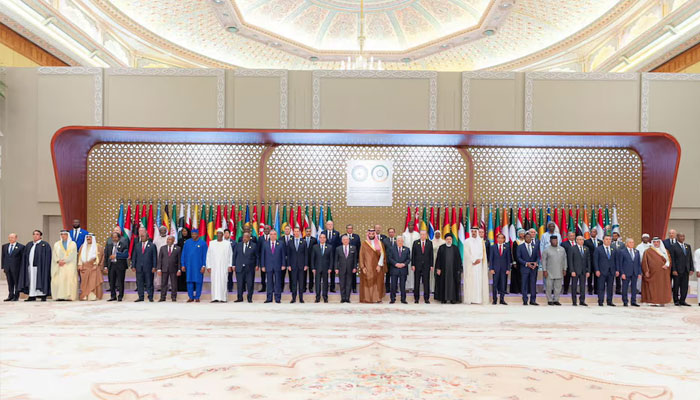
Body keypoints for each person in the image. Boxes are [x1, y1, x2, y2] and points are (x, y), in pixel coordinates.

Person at [18, 230, 52, 301]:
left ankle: (43, 295)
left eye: (37, 234)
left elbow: (48, 257)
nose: (35, 236)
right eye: (34, 234)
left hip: (40, 268)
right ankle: (32, 295)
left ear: (40, 236)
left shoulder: (45, 245)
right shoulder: (29, 244)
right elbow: (25, 256)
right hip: (30, 267)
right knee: (31, 281)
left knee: (40, 280)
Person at [641, 238, 672, 306]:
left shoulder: (665, 251)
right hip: (653, 274)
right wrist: (646, 271)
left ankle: (662, 301)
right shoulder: (648, 251)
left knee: (662, 287)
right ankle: (653, 301)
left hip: (664, 273)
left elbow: (669, 260)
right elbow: (644, 262)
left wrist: (666, 265)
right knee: (654, 287)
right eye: (654, 242)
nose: (656, 243)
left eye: (657, 242)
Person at [359, 228, 386, 303]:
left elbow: (382, 255)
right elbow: (361, 256)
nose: (371, 235)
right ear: (368, 234)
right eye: (370, 234)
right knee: (368, 283)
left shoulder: (380, 243)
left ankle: (377, 298)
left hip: (377, 267)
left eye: (373, 234)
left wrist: (379, 265)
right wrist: (362, 267)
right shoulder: (364, 243)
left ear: (375, 234)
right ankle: (368, 299)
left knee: (378, 283)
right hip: (367, 267)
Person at [463, 227, 489, 304]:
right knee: (470, 281)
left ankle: (478, 299)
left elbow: (482, 253)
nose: (474, 233)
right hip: (470, 264)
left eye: (475, 231)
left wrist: (478, 259)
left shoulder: (481, 241)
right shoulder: (467, 241)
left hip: (478, 265)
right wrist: (473, 260)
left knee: (478, 281)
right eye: (472, 231)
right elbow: (466, 253)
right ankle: (470, 299)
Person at [51, 230, 79, 301]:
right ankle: (59, 296)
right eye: (62, 234)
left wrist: (65, 261)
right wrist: (58, 261)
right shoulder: (56, 244)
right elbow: (54, 254)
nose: (63, 236)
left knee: (69, 280)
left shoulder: (73, 244)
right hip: (59, 265)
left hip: (69, 265)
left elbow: (73, 255)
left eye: (65, 234)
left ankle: (69, 297)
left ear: (68, 235)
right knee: (59, 280)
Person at [206, 228, 232, 303]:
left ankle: (223, 298)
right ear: (216, 234)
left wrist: (229, 265)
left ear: (223, 235)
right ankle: (214, 298)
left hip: (224, 266)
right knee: (214, 282)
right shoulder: (212, 243)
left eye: (221, 233)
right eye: (218, 233)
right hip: (214, 267)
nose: (219, 235)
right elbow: (208, 255)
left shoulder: (227, 244)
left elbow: (230, 255)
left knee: (223, 281)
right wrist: (209, 266)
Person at [131, 229, 157, 302]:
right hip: (139, 267)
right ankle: (141, 297)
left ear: (147, 237)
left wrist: (154, 267)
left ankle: (150, 297)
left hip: (148, 268)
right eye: (141, 236)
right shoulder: (137, 245)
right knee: (139, 282)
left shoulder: (152, 245)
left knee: (149, 282)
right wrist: (133, 266)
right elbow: (134, 256)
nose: (141, 237)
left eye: (143, 236)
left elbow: (154, 257)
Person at [181, 229, 207, 303]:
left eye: (195, 234)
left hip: (198, 266)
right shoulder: (187, 243)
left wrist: (204, 265)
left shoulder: (203, 243)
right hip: (189, 266)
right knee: (189, 281)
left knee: (199, 281)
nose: (193, 235)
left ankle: (197, 297)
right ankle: (191, 297)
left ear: (198, 234)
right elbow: (183, 254)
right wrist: (183, 264)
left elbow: (205, 255)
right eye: (192, 234)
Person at [435, 233, 462, 304]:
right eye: (447, 239)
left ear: (452, 240)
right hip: (444, 270)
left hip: (453, 270)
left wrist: (459, 269)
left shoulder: (455, 248)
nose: (449, 241)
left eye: (450, 239)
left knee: (453, 284)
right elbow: (438, 259)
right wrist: (438, 268)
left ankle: (453, 299)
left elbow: (459, 259)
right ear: (445, 240)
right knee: (443, 283)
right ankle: (443, 299)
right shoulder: (441, 248)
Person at [260, 230, 286, 303]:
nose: (273, 236)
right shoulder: (265, 244)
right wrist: (262, 266)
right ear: (269, 235)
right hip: (268, 266)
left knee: (278, 282)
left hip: (278, 266)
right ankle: (269, 298)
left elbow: (283, 255)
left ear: (276, 235)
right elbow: (263, 255)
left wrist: (283, 264)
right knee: (269, 282)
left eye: (274, 234)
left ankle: (278, 298)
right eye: (271, 234)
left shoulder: (281, 243)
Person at [541, 235, 567, 306]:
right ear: (550, 241)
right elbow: (543, 261)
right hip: (549, 272)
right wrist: (544, 270)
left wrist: (565, 269)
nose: (555, 242)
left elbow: (564, 259)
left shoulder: (562, 249)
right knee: (549, 287)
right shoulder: (546, 250)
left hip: (559, 271)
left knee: (558, 287)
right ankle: (549, 300)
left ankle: (556, 299)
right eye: (553, 240)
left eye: (556, 240)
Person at [77, 233, 103, 301]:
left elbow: (100, 257)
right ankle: (84, 295)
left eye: (90, 238)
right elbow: (79, 257)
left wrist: (96, 265)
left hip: (93, 267)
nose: (88, 239)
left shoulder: (98, 247)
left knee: (92, 282)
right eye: (87, 238)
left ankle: (92, 296)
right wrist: (80, 264)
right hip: (84, 267)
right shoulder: (82, 246)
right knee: (84, 283)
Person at [233, 232, 257, 303]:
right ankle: (240, 298)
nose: (244, 238)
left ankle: (249, 298)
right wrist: (233, 265)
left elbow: (257, 257)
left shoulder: (254, 245)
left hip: (250, 268)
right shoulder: (238, 245)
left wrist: (257, 265)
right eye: (244, 237)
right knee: (240, 284)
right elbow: (234, 256)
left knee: (250, 284)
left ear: (249, 238)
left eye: (246, 237)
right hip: (239, 267)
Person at [517, 232, 540, 305]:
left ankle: (533, 300)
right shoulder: (520, 247)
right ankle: (525, 300)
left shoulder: (535, 246)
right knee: (524, 284)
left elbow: (538, 256)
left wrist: (536, 262)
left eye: (530, 237)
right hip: (524, 268)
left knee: (533, 284)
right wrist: (526, 263)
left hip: (533, 269)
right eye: (527, 237)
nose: (528, 239)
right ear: (524, 238)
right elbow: (518, 258)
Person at [670, 233, 694, 306]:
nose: (682, 237)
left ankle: (682, 300)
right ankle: (676, 301)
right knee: (676, 286)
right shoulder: (673, 246)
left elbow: (690, 258)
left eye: (683, 236)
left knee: (684, 286)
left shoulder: (687, 246)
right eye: (681, 236)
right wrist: (674, 269)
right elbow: (672, 259)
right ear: (677, 237)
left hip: (686, 270)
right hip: (677, 270)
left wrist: (691, 268)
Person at [104, 231, 129, 301]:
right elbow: (106, 256)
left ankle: (120, 296)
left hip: (120, 266)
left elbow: (126, 254)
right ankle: (113, 296)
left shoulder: (123, 244)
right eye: (113, 237)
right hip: (111, 266)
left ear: (119, 238)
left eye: (115, 237)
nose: (114, 239)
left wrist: (116, 256)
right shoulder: (109, 245)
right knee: (111, 281)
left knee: (120, 282)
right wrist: (105, 266)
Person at [566, 235, 590, 306]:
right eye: (579, 239)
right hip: (575, 271)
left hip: (583, 271)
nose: (581, 241)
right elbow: (570, 260)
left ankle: (582, 300)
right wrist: (572, 270)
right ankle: (574, 301)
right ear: (576, 240)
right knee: (574, 286)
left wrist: (588, 271)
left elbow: (588, 260)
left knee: (583, 286)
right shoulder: (572, 248)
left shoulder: (586, 248)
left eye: (582, 239)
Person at [594, 235, 618, 306]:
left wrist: (617, 270)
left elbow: (616, 260)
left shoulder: (613, 249)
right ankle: (600, 301)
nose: (608, 241)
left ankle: (609, 301)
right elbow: (595, 260)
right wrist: (597, 270)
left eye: (609, 239)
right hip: (601, 271)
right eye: (606, 239)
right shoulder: (598, 249)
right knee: (601, 287)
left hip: (611, 271)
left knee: (610, 287)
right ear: (603, 240)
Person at [616, 238, 641, 307]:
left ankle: (633, 301)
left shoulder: (636, 251)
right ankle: (625, 301)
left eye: (632, 242)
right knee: (625, 287)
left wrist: (639, 273)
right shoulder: (622, 251)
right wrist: (622, 273)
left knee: (634, 288)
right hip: (626, 272)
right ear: (626, 244)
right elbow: (620, 263)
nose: (632, 244)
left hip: (635, 272)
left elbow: (638, 263)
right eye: (630, 242)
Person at [156, 235, 181, 302]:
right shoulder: (162, 248)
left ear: (173, 241)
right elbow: (160, 259)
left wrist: (179, 269)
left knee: (174, 283)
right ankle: (163, 297)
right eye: (168, 239)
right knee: (163, 283)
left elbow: (179, 260)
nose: (168, 241)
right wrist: (159, 269)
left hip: (174, 269)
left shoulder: (178, 248)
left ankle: (173, 297)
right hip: (164, 268)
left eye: (170, 240)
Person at [411, 230, 433, 304]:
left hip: (426, 266)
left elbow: (431, 255)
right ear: (419, 235)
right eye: (421, 234)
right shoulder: (415, 243)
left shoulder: (429, 243)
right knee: (416, 282)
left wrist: (431, 265)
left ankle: (426, 298)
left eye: (424, 234)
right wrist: (413, 265)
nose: (422, 236)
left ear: (426, 235)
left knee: (426, 282)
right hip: (417, 266)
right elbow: (413, 255)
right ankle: (416, 298)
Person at [287, 227, 308, 303]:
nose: (296, 233)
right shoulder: (290, 242)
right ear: (293, 233)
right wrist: (288, 265)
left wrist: (306, 264)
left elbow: (306, 254)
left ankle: (301, 298)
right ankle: (293, 298)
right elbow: (288, 255)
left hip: (301, 265)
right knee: (293, 282)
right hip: (292, 266)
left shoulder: (304, 241)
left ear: (300, 232)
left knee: (301, 282)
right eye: (295, 231)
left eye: (297, 231)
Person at [489, 234, 510, 305]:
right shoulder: (493, 247)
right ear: (497, 239)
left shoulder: (507, 247)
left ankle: (502, 299)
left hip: (504, 269)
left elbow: (508, 259)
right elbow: (491, 259)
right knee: (495, 284)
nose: (500, 239)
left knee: (503, 284)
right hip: (495, 269)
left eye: (502, 238)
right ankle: (494, 299)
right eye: (499, 238)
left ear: (504, 239)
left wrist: (508, 269)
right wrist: (491, 268)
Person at [334, 234, 357, 303]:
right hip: (341, 269)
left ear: (349, 240)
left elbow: (355, 259)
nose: (345, 241)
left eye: (347, 240)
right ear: (342, 241)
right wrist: (336, 268)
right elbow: (336, 259)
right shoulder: (338, 248)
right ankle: (343, 298)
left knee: (349, 283)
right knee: (342, 284)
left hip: (350, 268)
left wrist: (355, 267)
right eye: (344, 240)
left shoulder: (353, 248)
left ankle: (347, 298)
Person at [388, 236, 410, 304]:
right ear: (396, 241)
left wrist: (404, 264)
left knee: (403, 285)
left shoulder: (407, 249)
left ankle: (403, 299)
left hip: (403, 269)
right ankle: (392, 299)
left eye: (401, 241)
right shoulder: (391, 249)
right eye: (398, 241)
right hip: (394, 269)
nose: (400, 242)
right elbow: (390, 258)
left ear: (403, 242)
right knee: (393, 285)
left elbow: (408, 259)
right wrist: (395, 264)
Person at [2, 233, 24, 301]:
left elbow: (22, 258)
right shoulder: (5, 246)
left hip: (16, 268)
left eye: (12, 237)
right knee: (9, 282)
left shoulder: (21, 247)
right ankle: (10, 295)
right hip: (7, 268)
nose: (10, 239)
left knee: (16, 282)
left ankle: (16, 296)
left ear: (16, 238)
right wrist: (3, 266)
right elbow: (3, 257)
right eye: (9, 237)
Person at [311, 233, 333, 303]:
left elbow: (331, 259)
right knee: (317, 283)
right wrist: (313, 268)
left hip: (326, 268)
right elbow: (312, 259)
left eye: (324, 237)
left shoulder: (330, 247)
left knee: (325, 283)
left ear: (326, 239)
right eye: (321, 237)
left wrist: (330, 268)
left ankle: (325, 297)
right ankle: (317, 297)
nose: (322, 239)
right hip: (317, 268)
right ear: (319, 239)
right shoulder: (315, 247)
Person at [323, 221, 340, 293]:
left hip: (333, 256)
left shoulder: (337, 233)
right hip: (325, 256)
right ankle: (325, 287)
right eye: (328, 224)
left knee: (333, 272)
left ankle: (332, 287)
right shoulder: (323, 233)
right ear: (326, 225)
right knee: (325, 273)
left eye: (331, 224)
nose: (330, 226)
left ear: (333, 225)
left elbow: (339, 244)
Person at [584, 228, 603, 295]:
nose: (593, 233)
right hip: (590, 261)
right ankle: (590, 290)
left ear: (596, 233)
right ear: (590, 233)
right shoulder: (586, 242)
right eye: (592, 232)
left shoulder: (600, 242)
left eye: (594, 232)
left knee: (597, 276)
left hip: (598, 262)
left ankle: (596, 290)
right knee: (589, 277)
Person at [402, 225, 419, 294]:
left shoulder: (417, 234)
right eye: (409, 225)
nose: (411, 227)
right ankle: (407, 287)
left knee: (414, 271)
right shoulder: (404, 234)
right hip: (406, 255)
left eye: (412, 225)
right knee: (407, 271)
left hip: (415, 255)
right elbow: (402, 244)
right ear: (408, 226)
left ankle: (414, 287)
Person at [344, 225, 361, 293]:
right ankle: (345, 288)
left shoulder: (356, 236)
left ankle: (354, 288)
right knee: (345, 274)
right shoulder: (343, 236)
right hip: (344, 259)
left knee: (353, 274)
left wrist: (358, 259)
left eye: (351, 228)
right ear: (346, 229)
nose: (350, 229)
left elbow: (359, 248)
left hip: (353, 259)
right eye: (348, 228)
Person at [509, 229, 526, 295]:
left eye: (523, 233)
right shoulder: (516, 242)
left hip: (525, 262)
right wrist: (514, 262)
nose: (522, 235)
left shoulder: (526, 241)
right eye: (520, 233)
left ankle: (524, 289)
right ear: (518, 234)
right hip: (517, 262)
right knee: (517, 276)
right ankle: (516, 290)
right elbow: (513, 253)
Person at [381, 228, 397, 293]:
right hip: (387, 261)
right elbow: (383, 251)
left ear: (394, 233)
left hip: (395, 261)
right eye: (390, 232)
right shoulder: (385, 240)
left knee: (395, 276)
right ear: (388, 233)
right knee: (387, 276)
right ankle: (387, 289)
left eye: (392, 232)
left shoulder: (397, 240)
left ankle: (395, 289)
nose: (391, 233)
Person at [176, 227, 191, 292]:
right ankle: (181, 287)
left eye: (185, 231)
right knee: (181, 274)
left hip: (189, 260)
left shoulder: (191, 240)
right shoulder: (180, 240)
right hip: (181, 259)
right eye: (183, 232)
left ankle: (189, 288)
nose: (184, 233)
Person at [431, 230, 445, 296]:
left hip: (441, 260)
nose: (437, 235)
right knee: (432, 275)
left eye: (438, 234)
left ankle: (440, 289)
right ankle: (432, 288)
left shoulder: (443, 242)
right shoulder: (431, 242)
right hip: (433, 259)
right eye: (436, 234)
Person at [256, 225, 270, 293]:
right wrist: (258, 263)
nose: (266, 230)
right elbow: (258, 251)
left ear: (270, 230)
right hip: (263, 261)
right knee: (263, 275)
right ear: (263, 230)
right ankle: (263, 287)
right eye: (265, 229)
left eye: (268, 229)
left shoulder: (273, 237)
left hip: (271, 260)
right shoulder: (260, 238)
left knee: (271, 275)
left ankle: (271, 287)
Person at [303, 227, 317, 293]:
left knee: (311, 275)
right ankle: (304, 287)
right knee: (303, 274)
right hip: (304, 260)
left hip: (312, 260)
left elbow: (316, 250)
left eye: (309, 231)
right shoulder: (302, 239)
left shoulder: (314, 240)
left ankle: (311, 288)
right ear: (305, 232)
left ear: (311, 232)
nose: (308, 232)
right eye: (307, 231)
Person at [281, 225, 293, 293]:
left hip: (291, 260)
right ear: (284, 230)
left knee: (291, 276)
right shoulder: (280, 239)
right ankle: (281, 288)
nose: (287, 230)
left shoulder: (293, 238)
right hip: (282, 260)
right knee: (281, 275)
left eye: (288, 229)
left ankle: (291, 288)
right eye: (286, 229)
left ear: (290, 230)